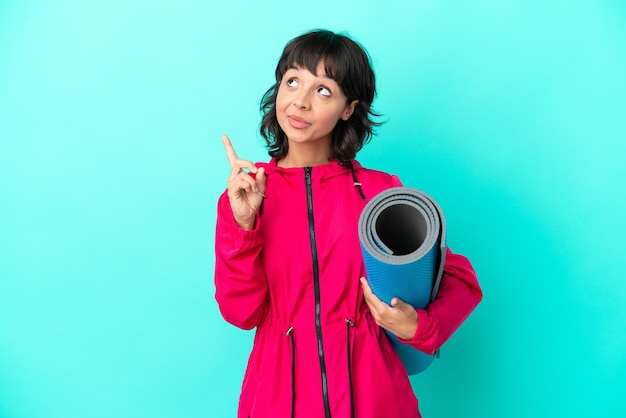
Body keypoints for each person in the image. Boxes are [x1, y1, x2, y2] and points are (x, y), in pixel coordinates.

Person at [214, 29, 482, 418]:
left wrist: (419, 327)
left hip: (375, 398)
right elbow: (241, 312)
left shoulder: (379, 191)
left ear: (347, 108)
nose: (301, 102)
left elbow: (458, 277)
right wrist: (243, 223)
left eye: (323, 90)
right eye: (293, 81)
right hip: (277, 399)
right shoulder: (246, 194)